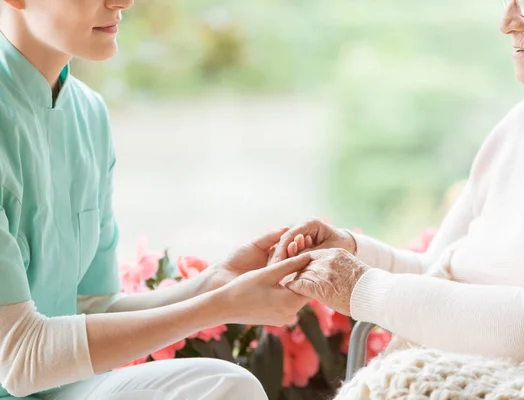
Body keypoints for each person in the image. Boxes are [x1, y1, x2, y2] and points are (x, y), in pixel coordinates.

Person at [0, 0, 317, 398]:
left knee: (225, 386)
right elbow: (18, 359)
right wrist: (219, 306)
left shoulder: (89, 114)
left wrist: (211, 284)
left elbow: (89, 308)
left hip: (63, 390)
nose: (123, 2)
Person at [271, 0, 524, 370]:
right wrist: (352, 252)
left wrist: (362, 288)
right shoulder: (523, 123)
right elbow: (436, 271)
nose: (506, 22)